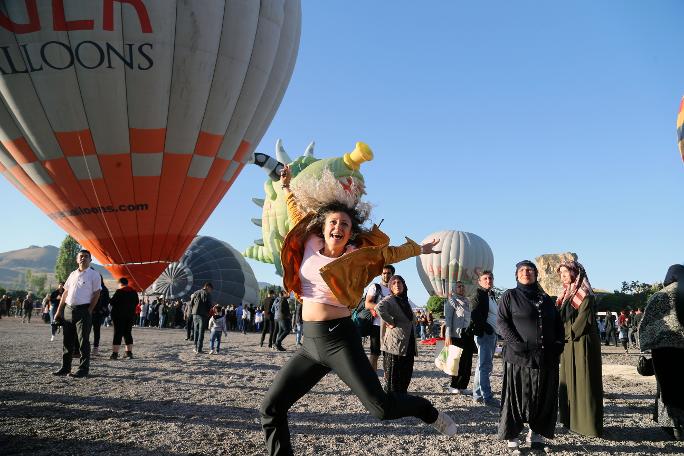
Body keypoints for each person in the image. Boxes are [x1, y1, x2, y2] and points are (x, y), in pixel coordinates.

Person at [259, 160, 456, 456]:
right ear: (324, 227)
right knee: (271, 407)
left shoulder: (357, 255)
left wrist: (420, 249)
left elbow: (388, 252)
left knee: (381, 409)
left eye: (345, 224)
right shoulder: (310, 241)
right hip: (309, 341)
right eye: (333, 223)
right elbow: (294, 210)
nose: (338, 227)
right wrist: (286, 185)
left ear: (351, 232)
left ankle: (426, 410)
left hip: (340, 338)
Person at [497, 260, 564, 453]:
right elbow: (502, 321)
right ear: (516, 275)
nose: (526, 272)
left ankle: (536, 435)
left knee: (542, 398)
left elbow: (557, 323)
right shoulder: (510, 296)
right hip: (519, 357)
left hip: (546, 358)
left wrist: (559, 343)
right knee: (517, 398)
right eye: (522, 270)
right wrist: (517, 344)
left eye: (530, 270)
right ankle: (512, 436)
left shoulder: (545, 298)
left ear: (536, 274)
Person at [556, 261, 603, 438]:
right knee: (569, 379)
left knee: (584, 380)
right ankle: (570, 420)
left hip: (582, 343)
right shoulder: (565, 295)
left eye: (566, 272)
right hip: (568, 343)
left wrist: (562, 335)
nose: (563, 276)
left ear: (575, 272)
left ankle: (587, 425)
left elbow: (582, 321)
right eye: (561, 273)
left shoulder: (586, 294)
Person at [639, 264, 684, 440]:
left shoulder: (659, 296)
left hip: (663, 350)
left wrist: (646, 347)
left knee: (666, 386)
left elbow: (645, 324)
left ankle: (672, 425)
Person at [52, 249, 102, 378]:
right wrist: (58, 312)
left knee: (83, 341)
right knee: (67, 341)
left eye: (86, 256)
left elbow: (97, 293)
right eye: (81, 256)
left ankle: (83, 369)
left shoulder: (94, 275)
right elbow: (65, 293)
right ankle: (65, 368)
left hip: (84, 310)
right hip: (68, 310)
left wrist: (90, 310)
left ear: (90, 260)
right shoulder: (73, 274)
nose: (83, 258)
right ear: (77, 259)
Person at [375, 275, 418, 393]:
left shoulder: (405, 301)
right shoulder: (390, 299)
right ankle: (392, 406)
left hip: (407, 344)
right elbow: (379, 308)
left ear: (404, 285)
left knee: (405, 376)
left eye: (399, 282)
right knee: (393, 380)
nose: (397, 285)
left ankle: (402, 402)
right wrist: (390, 321)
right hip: (395, 346)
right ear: (390, 287)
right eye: (393, 283)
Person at [469, 270, 499, 406]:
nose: (489, 280)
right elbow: (475, 315)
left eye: (490, 278)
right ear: (479, 281)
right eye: (485, 278)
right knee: (485, 366)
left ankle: (477, 394)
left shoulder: (490, 295)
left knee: (482, 365)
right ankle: (487, 396)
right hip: (485, 334)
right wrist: (487, 328)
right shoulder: (478, 294)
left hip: (492, 334)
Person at [444, 281, 474, 395]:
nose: (461, 288)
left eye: (463, 286)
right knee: (456, 360)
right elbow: (448, 320)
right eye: (459, 286)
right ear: (454, 289)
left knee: (467, 361)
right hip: (457, 334)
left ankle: (463, 385)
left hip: (468, 334)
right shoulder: (451, 302)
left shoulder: (467, 301)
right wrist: (447, 335)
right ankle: (453, 385)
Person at [364, 265, 393, 371]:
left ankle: (387, 380)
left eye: (388, 273)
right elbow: (367, 304)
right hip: (377, 325)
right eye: (384, 273)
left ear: (392, 274)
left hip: (391, 327)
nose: (386, 275)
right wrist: (382, 309)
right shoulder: (375, 287)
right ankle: (372, 379)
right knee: (374, 353)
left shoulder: (394, 288)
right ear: (381, 274)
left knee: (389, 355)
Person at [109, 277, 139, 359]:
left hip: (118, 316)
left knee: (118, 333)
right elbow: (137, 302)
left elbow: (112, 302)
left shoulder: (119, 291)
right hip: (130, 316)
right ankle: (129, 353)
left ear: (120, 283)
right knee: (128, 333)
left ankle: (115, 354)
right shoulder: (134, 292)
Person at [190, 283, 213, 354]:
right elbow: (208, 303)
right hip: (202, 314)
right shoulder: (206, 293)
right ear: (207, 287)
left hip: (194, 314)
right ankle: (199, 349)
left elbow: (191, 303)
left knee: (195, 330)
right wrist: (208, 311)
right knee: (201, 331)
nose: (210, 291)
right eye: (210, 289)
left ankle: (195, 347)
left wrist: (193, 310)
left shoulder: (195, 292)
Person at [91, 275, 109, 355]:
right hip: (90, 312)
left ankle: (95, 348)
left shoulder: (104, 289)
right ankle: (85, 347)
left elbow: (106, 302)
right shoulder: (91, 287)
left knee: (96, 330)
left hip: (98, 314)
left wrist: (101, 311)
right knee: (85, 331)